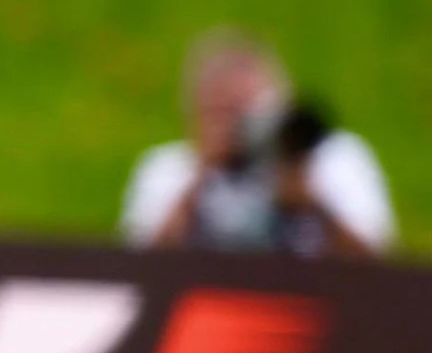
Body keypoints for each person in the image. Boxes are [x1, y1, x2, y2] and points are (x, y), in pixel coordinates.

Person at [121, 28, 395, 259]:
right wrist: (199, 179)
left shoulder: (332, 158)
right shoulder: (169, 169)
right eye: (222, 113)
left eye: (248, 112)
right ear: (194, 115)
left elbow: (377, 266)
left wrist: (312, 203)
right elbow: (140, 268)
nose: (238, 128)